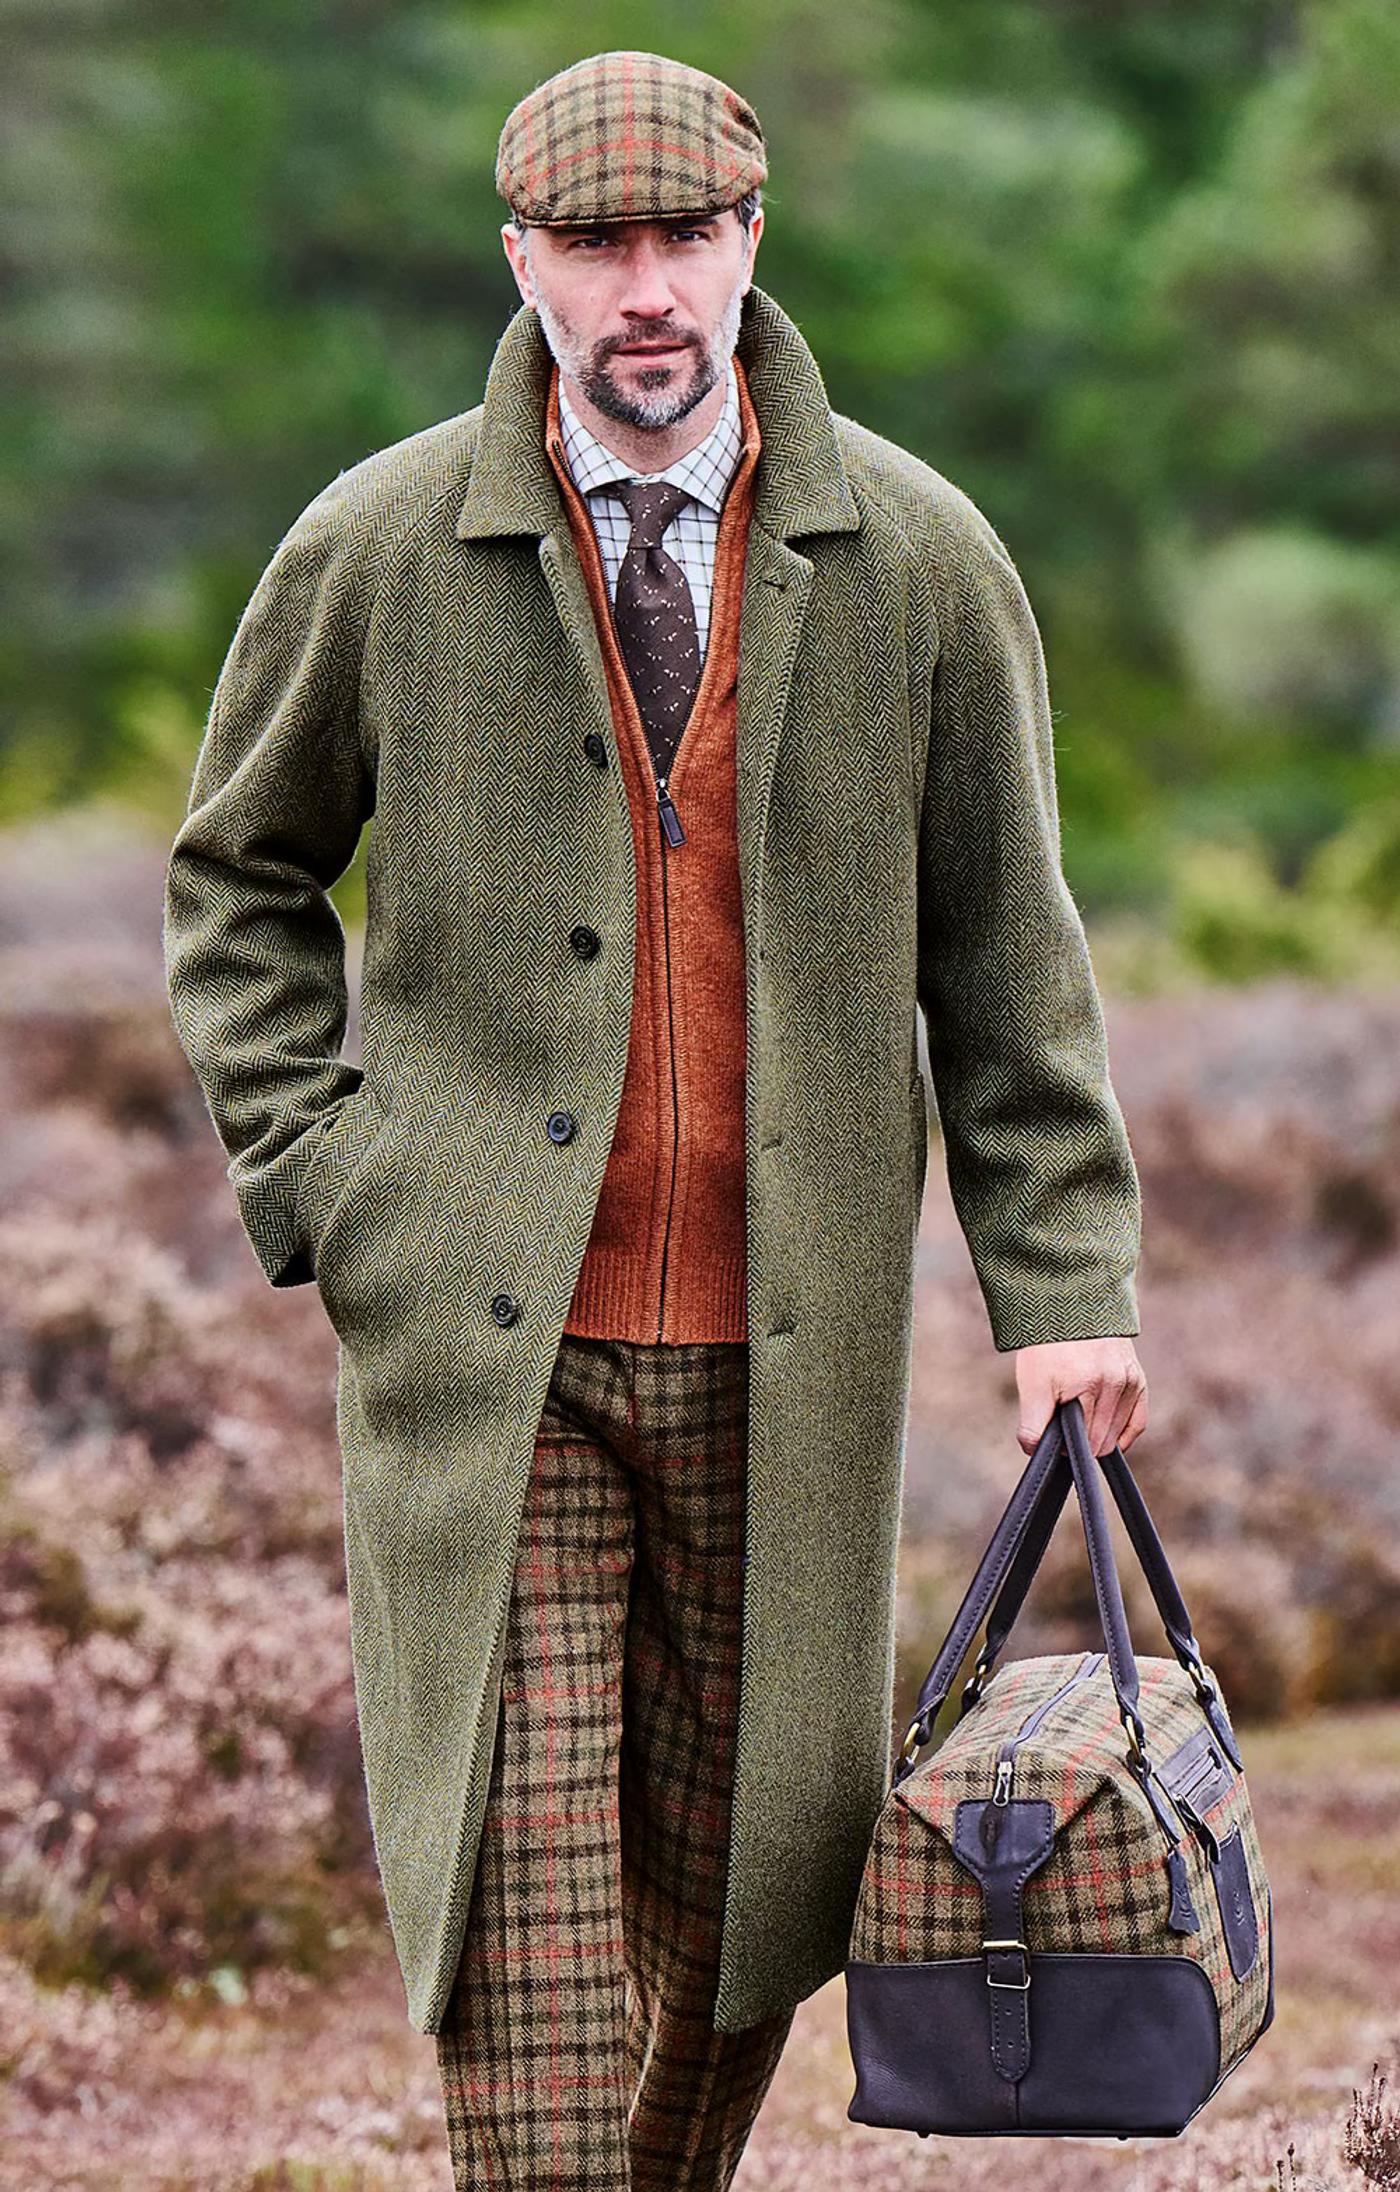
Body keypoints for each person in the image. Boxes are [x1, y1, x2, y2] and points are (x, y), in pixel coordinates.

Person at [163, 45, 1148, 2191]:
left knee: (744, 1906)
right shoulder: (374, 545)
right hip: (483, 1355)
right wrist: (331, 1179)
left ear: (750, 242)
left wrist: (1065, 1283)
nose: (644, 290)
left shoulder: (919, 561)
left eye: (683, 236)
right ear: (517, 257)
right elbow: (234, 877)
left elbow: (1006, 954)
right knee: (517, 1904)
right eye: (595, 243)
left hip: (789, 1361)